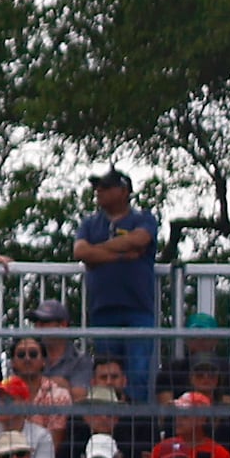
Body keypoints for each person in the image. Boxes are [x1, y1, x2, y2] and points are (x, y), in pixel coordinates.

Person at [72, 169, 164, 399]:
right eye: (97, 187)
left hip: (138, 309)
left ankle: (136, 428)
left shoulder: (143, 218)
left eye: (106, 187)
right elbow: (80, 251)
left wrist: (97, 251)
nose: (99, 192)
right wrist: (122, 253)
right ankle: (108, 423)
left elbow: (141, 239)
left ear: (124, 191)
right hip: (103, 310)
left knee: (138, 373)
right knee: (106, 374)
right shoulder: (90, 223)